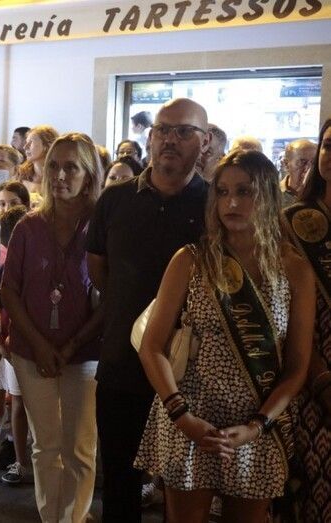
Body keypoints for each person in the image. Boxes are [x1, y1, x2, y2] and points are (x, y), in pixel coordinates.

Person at [136, 149, 314, 522]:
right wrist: (182, 416)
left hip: (257, 423)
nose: (231, 202)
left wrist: (256, 426)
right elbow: (151, 346)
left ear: (268, 196)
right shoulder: (190, 259)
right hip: (190, 416)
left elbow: (297, 366)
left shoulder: (294, 269)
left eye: (245, 191)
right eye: (222, 192)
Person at [86, 98, 210, 523]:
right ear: (150, 137)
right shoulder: (115, 199)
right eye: (162, 130)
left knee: (184, 487)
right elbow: (99, 269)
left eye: (184, 131)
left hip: (192, 370)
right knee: (119, 483)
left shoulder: (214, 204)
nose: (170, 140)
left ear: (205, 142)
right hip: (123, 362)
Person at [0, 132, 104, 522]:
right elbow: (9, 291)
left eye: (71, 167)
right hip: (32, 351)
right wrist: (41, 345)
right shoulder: (28, 226)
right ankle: (51, 517)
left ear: (89, 175)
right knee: (45, 445)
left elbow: (111, 296)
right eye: (54, 166)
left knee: (80, 448)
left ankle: (72, 518)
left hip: (86, 352)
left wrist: (72, 344)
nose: (59, 175)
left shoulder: (101, 226)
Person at [283, 117, 331, 522]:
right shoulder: (292, 222)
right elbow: (281, 305)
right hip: (308, 368)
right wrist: (320, 376)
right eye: (328, 145)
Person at [0, 204, 31, 484]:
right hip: (14, 347)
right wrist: (0, 345)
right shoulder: (5, 270)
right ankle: (21, 461)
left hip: (39, 344)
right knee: (18, 402)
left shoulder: (44, 263)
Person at [19, 126, 59, 195]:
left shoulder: (59, 177)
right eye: (26, 142)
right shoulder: (20, 174)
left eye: (31, 142)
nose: (25, 147)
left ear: (48, 145)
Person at [280, 138, 316, 206]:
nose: (308, 168)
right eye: (302, 162)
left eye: (313, 163)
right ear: (286, 164)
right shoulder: (273, 194)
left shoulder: (323, 194)